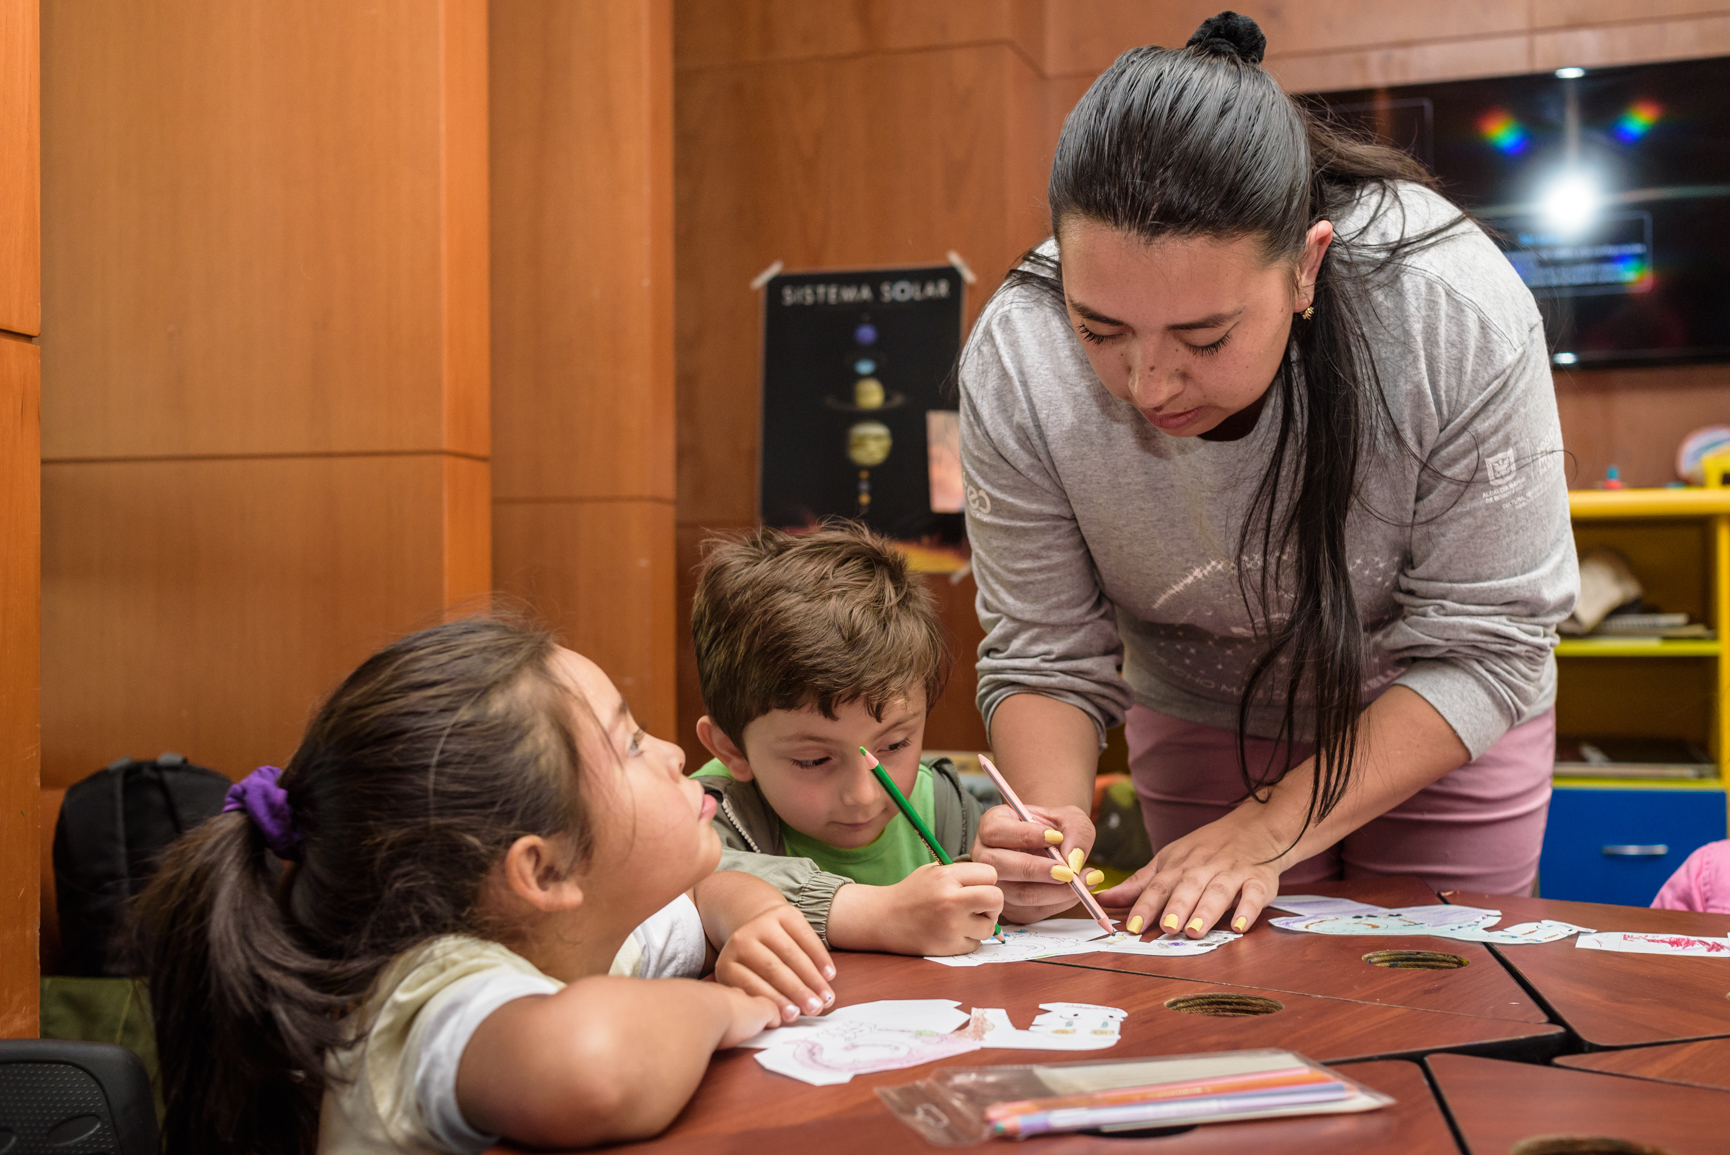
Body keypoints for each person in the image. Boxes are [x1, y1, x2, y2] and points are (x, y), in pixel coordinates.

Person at [963, 12, 1577, 940]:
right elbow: (1044, 651)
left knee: (1444, 1003)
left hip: (1432, 710)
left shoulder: (1451, 307)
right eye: (1100, 331)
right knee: (1226, 993)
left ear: (1305, 267)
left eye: (1205, 338)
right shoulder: (1019, 354)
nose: (1148, 384)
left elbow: (1489, 640)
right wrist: (1049, 831)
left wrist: (1262, 832)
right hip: (1204, 703)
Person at [133, 617, 835, 1155]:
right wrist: (717, 1006)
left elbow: (707, 902)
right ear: (544, 871)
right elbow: (589, 1066)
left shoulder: (577, 936)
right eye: (630, 741)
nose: (674, 753)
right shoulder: (431, 993)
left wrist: (756, 916)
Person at [690, 523, 1012, 956]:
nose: (863, 796)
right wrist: (872, 914)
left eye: (894, 745)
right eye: (813, 760)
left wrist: (1023, 892)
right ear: (731, 748)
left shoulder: (946, 809)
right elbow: (685, 886)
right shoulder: (699, 815)